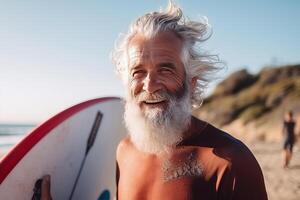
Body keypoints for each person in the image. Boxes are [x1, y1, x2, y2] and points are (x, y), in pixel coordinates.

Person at [40, 1, 268, 199]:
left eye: (166, 70)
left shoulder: (231, 163)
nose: (149, 85)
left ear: (192, 82)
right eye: (138, 72)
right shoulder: (124, 150)